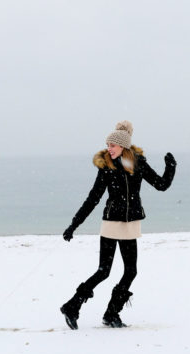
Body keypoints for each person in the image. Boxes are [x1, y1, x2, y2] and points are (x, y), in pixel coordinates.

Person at [60, 120, 176, 329]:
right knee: (104, 270)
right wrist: (73, 225)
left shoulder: (137, 163)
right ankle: (72, 306)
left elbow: (161, 185)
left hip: (131, 223)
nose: (108, 149)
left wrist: (171, 167)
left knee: (131, 271)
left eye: (112, 145)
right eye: (108, 145)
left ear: (123, 145)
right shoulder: (107, 167)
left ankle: (111, 314)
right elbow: (93, 198)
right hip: (112, 222)